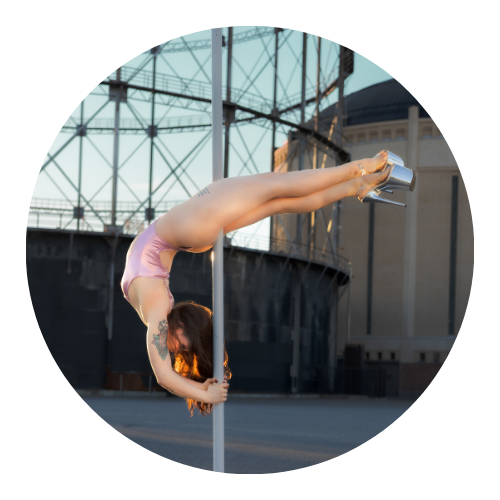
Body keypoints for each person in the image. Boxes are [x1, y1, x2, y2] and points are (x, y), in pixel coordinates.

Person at [121, 150, 392, 417]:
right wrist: (204, 393)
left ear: (183, 324)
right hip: (189, 228)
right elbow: (164, 376)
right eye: (184, 347)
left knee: (278, 200)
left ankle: (356, 183)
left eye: (182, 346)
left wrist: (200, 390)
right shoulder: (157, 309)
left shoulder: (157, 312)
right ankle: (359, 171)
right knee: (276, 186)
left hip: (187, 231)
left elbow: (165, 375)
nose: (177, 350)